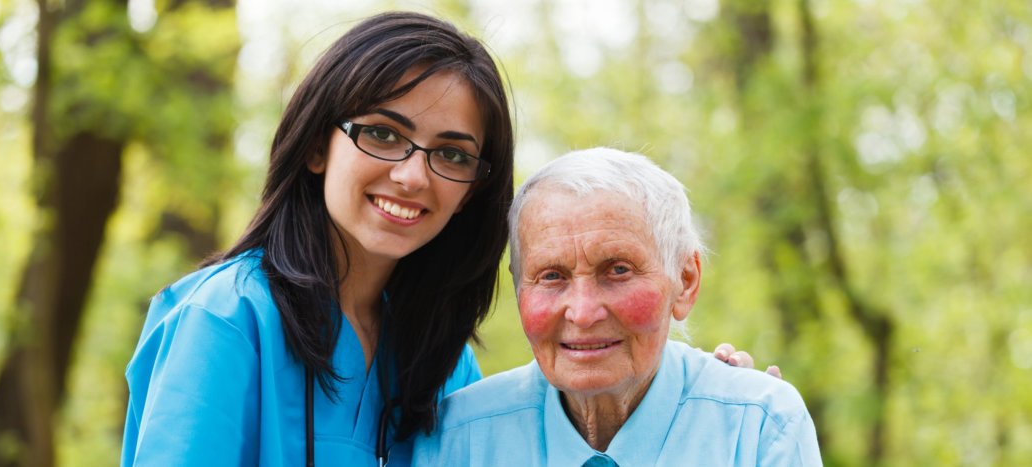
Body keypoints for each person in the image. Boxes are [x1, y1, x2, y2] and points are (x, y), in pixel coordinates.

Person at [122, 12, 765, 467]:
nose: (411, 175)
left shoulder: (438, 354)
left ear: (472, 191)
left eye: (452, 154)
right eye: (381, 133)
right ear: (318, 143)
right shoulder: (228, 319)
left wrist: (689, 398)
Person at [412, 147, 822, 466]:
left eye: (618, 270)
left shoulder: (760, 426)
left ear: (685, 281)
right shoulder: (460, 436)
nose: (583, 312)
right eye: (552, 276)